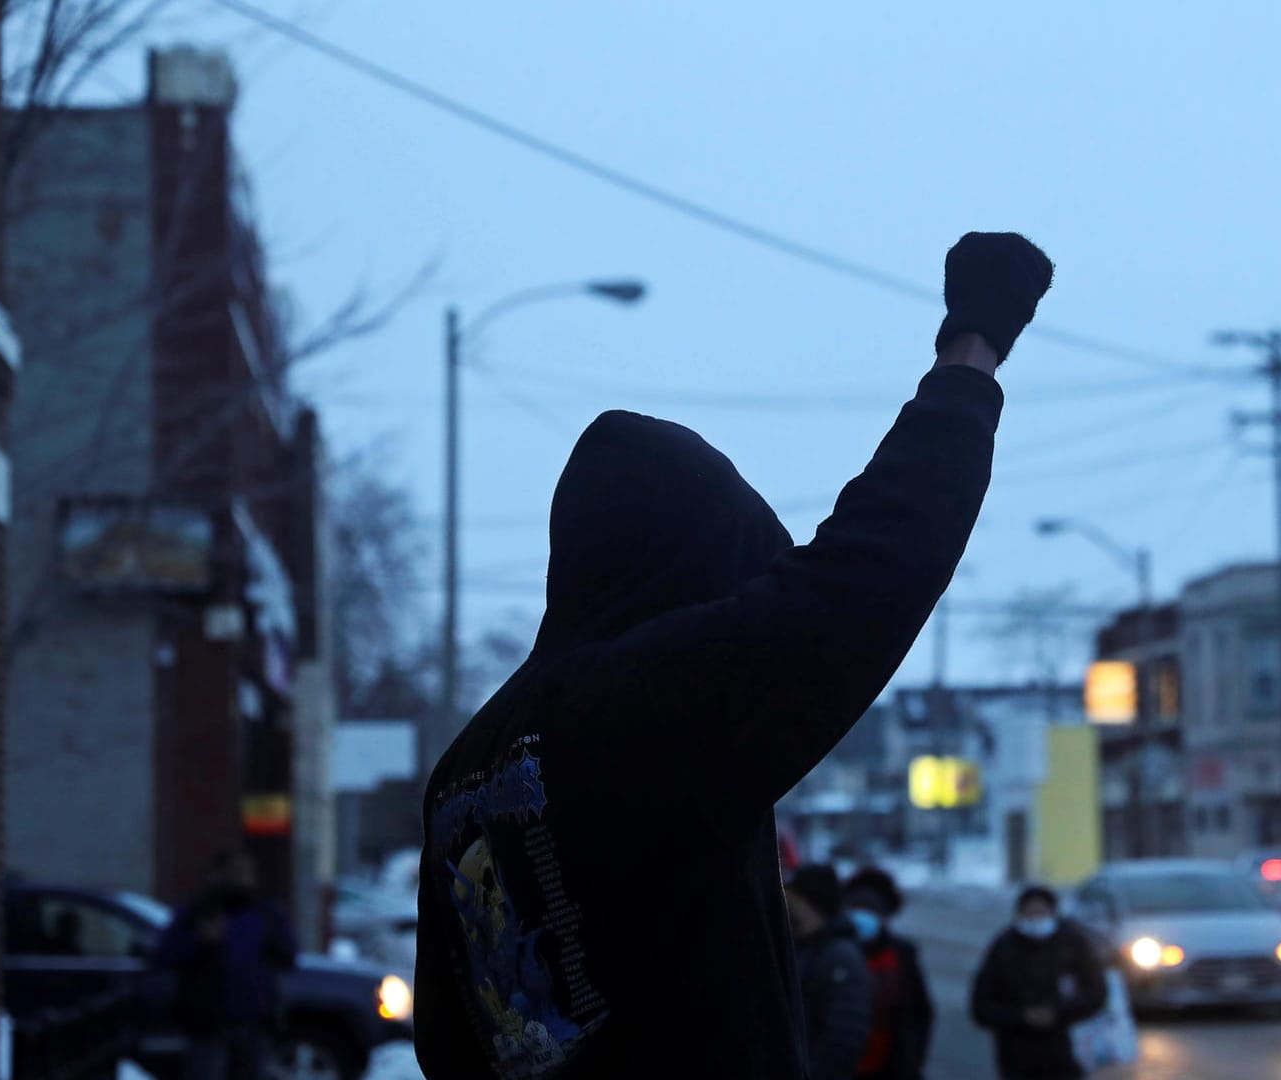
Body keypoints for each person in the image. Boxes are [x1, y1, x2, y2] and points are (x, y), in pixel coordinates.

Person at [414, 232, 1055, 1079]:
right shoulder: (642, 707)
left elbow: (444, 1036)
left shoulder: (468, 767)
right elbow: (866, 576)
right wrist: (972, 351)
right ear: (686, 561)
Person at [155, 850, 297, 1080]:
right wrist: (201, 941)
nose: (242, 879)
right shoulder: (197, 912)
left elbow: (288, 956)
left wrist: (272, 943)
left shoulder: (265, 913)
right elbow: (166, 956)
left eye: (246, 872)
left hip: (254, 1023)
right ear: (219, 875)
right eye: (235, 872)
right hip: (208, 1025)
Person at [969, 886, 1107, 1080]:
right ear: (1019, 914)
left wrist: (1058, 1014)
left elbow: (1096, 993)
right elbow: (981, 1007)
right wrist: (1023, 1017)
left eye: (1041, 912)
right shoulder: (1003, 948)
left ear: (1053, 913)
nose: (1035, 918)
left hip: (1066, 1057)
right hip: (1018, 1058)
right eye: (1029, 912)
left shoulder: (1072, 944)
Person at [843, 867, 934, 1080]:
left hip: (889, 1068)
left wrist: (912, 1059)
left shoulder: (902, 955)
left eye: (871, 912)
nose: (863, 918)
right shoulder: (833, 952)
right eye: (857, 910)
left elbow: (920, 1013)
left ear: (883, 917)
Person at [786, 866, 874, 1080]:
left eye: (793, 899)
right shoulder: (801, 944)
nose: (787, 905)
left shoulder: (839, 955)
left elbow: (844, 1039)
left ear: (811, 903)